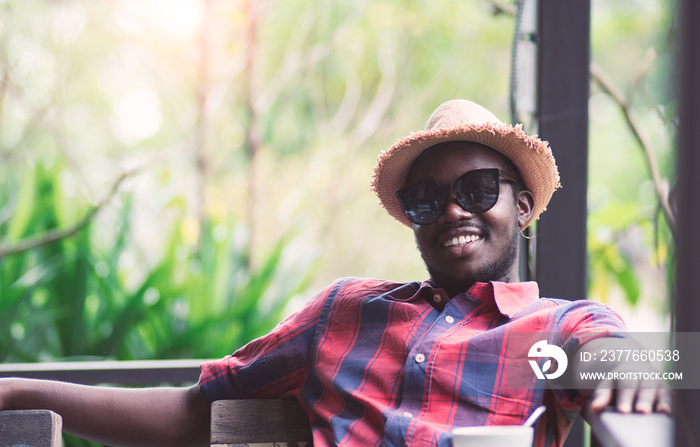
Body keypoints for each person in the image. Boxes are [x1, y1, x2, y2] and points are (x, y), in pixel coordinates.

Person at [0, 99, 670, 447]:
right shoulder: (344, 315)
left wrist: (641, 364)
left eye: (478, 188)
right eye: (428, 199)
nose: (453, 211)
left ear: (521, 205)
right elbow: (189, 411)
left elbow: (649, 362)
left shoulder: (553, 332)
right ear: (410, 217)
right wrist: (15, 392)